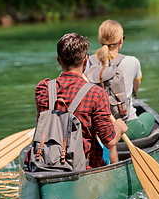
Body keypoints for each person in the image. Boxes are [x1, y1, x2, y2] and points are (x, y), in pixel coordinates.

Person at [25, 33, 127, 168]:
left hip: (44, 162)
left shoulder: (43, 88)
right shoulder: (96, 93)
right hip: (83, 167)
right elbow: (109, 141)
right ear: (85, 61)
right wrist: (119, 128)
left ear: (58, 60)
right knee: (106, 147)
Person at [85, 20, 155, 140]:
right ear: (121, 40)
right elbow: (135, 89)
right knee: (149, 116)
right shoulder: (132, 61)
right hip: (127, 128)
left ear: (100, 40)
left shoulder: (87, 62)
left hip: (98, 131)